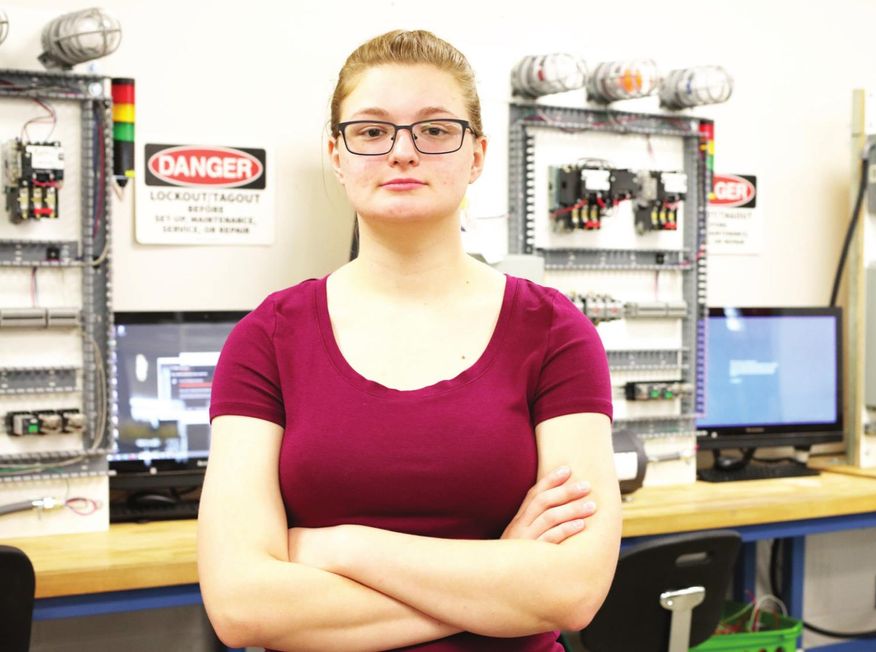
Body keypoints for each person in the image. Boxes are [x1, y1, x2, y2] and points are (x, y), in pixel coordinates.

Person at [197, 29, 621, 651]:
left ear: (476, 155)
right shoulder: (267, 339)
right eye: (370, 131)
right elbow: (242, 607)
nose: (401, 153)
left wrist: (339, 546)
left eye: (434, 130)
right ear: (337, 156)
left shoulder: (554, 332)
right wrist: (498, 577)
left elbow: (571, 592)